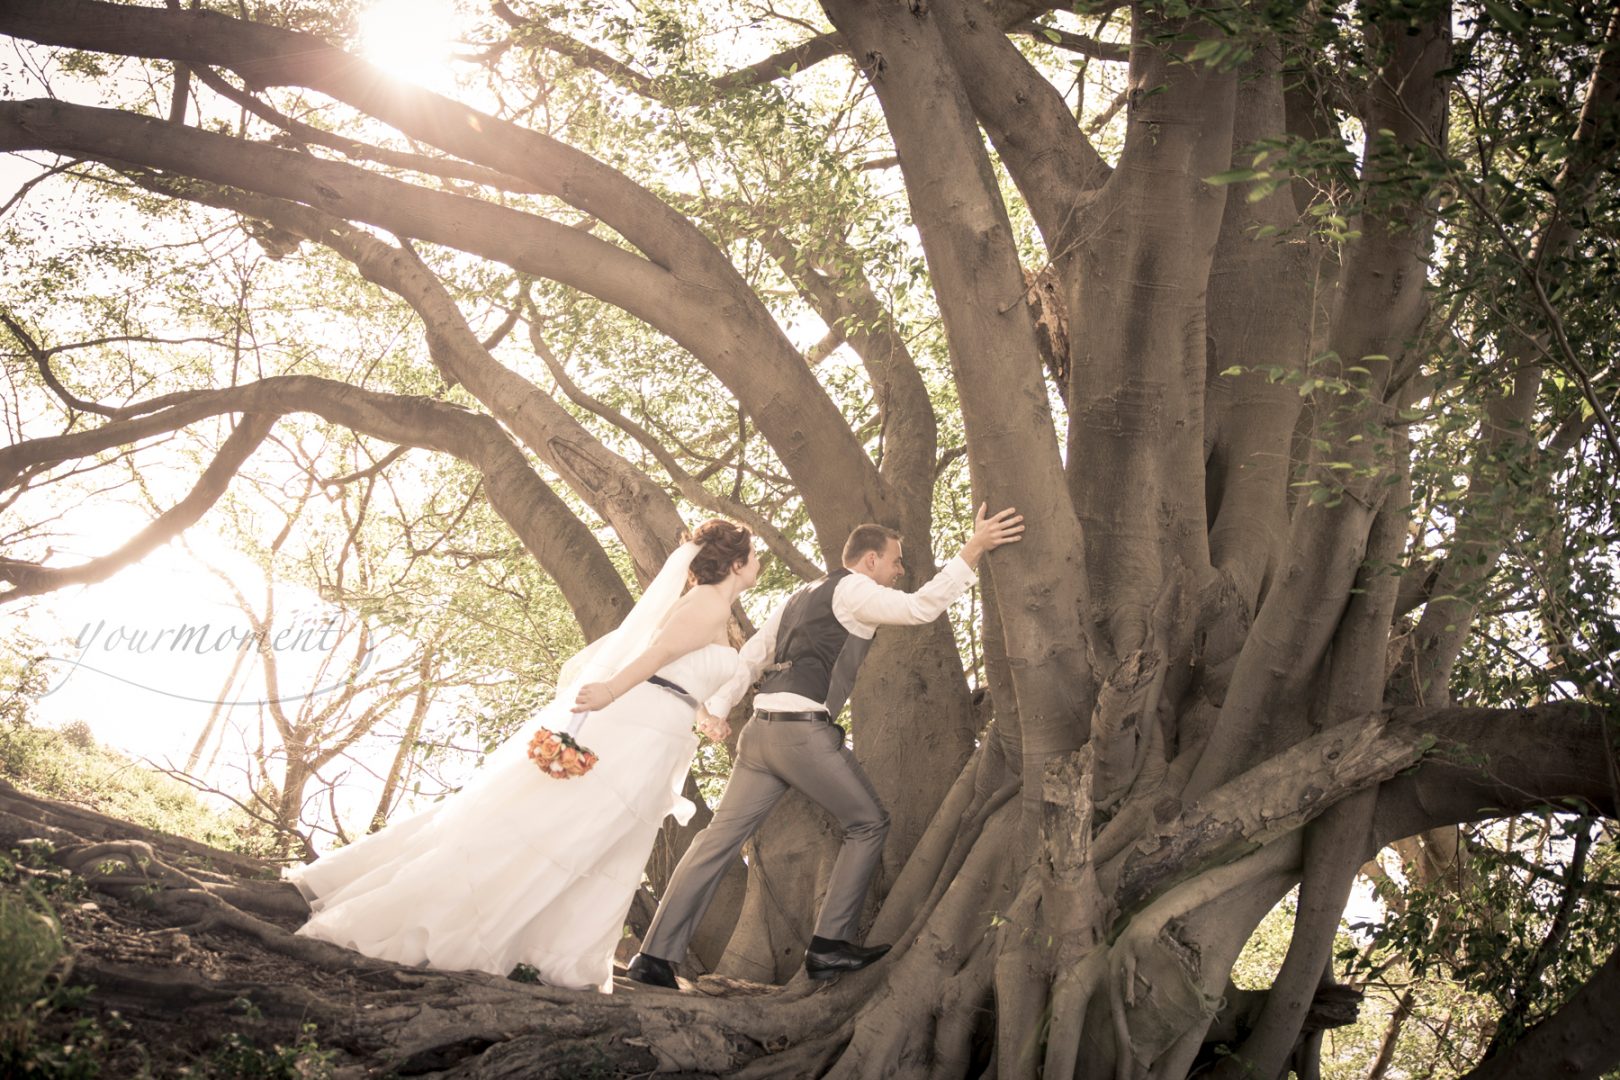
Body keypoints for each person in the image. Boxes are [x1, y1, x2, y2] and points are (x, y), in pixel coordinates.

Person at [284, 519, 758, 992]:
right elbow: (655, 656)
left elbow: (678, 673)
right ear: (736, 563)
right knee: (568, 831)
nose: (758, 564)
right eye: (754, 556)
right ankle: (459, 924)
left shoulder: (713, 607)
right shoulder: (707, 604)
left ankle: (543, 949)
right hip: (641, 730)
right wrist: (610, 691)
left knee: (602, 841)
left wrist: (703, 715)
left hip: (663, 730)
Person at [628, 504, 1023, 989]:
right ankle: (828, 947)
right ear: (871, 560)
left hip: (760, 733)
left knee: (716, 844)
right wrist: (975, 547)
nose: (900, 572)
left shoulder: (800, 593)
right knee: (869, 822)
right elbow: (922, 607)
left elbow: (753, 655)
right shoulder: (856, 589)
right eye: (896, 562)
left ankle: (654, 957)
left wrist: (718, 706)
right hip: (800, 732)